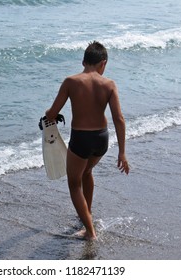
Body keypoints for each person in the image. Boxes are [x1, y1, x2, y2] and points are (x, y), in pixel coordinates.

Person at [45, 41, 129, 240]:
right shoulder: (109, 84)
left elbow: (53, 113)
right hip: (101, 139)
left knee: (74, 183)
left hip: (81, 139)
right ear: (103, 63)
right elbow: (119, 119)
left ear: (83, 61)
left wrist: (48, 115)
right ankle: (86, 216)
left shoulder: (71, 82)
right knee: (87, 171)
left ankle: (90, 232)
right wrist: (122, 152)